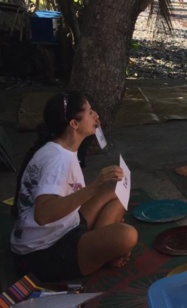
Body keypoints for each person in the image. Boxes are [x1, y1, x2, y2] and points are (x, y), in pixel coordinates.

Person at [10, 91, 138, 282]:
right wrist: (94, 187)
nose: (96, 116)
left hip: (64, 226)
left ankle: (101, 246)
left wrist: (91, 132)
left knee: (117, 188)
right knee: (127, 236)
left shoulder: (60, 146)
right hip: (42, 253)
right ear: (74, 124)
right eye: (89, 113)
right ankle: (103, 250)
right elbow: (43, 215)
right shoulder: (58, 161)